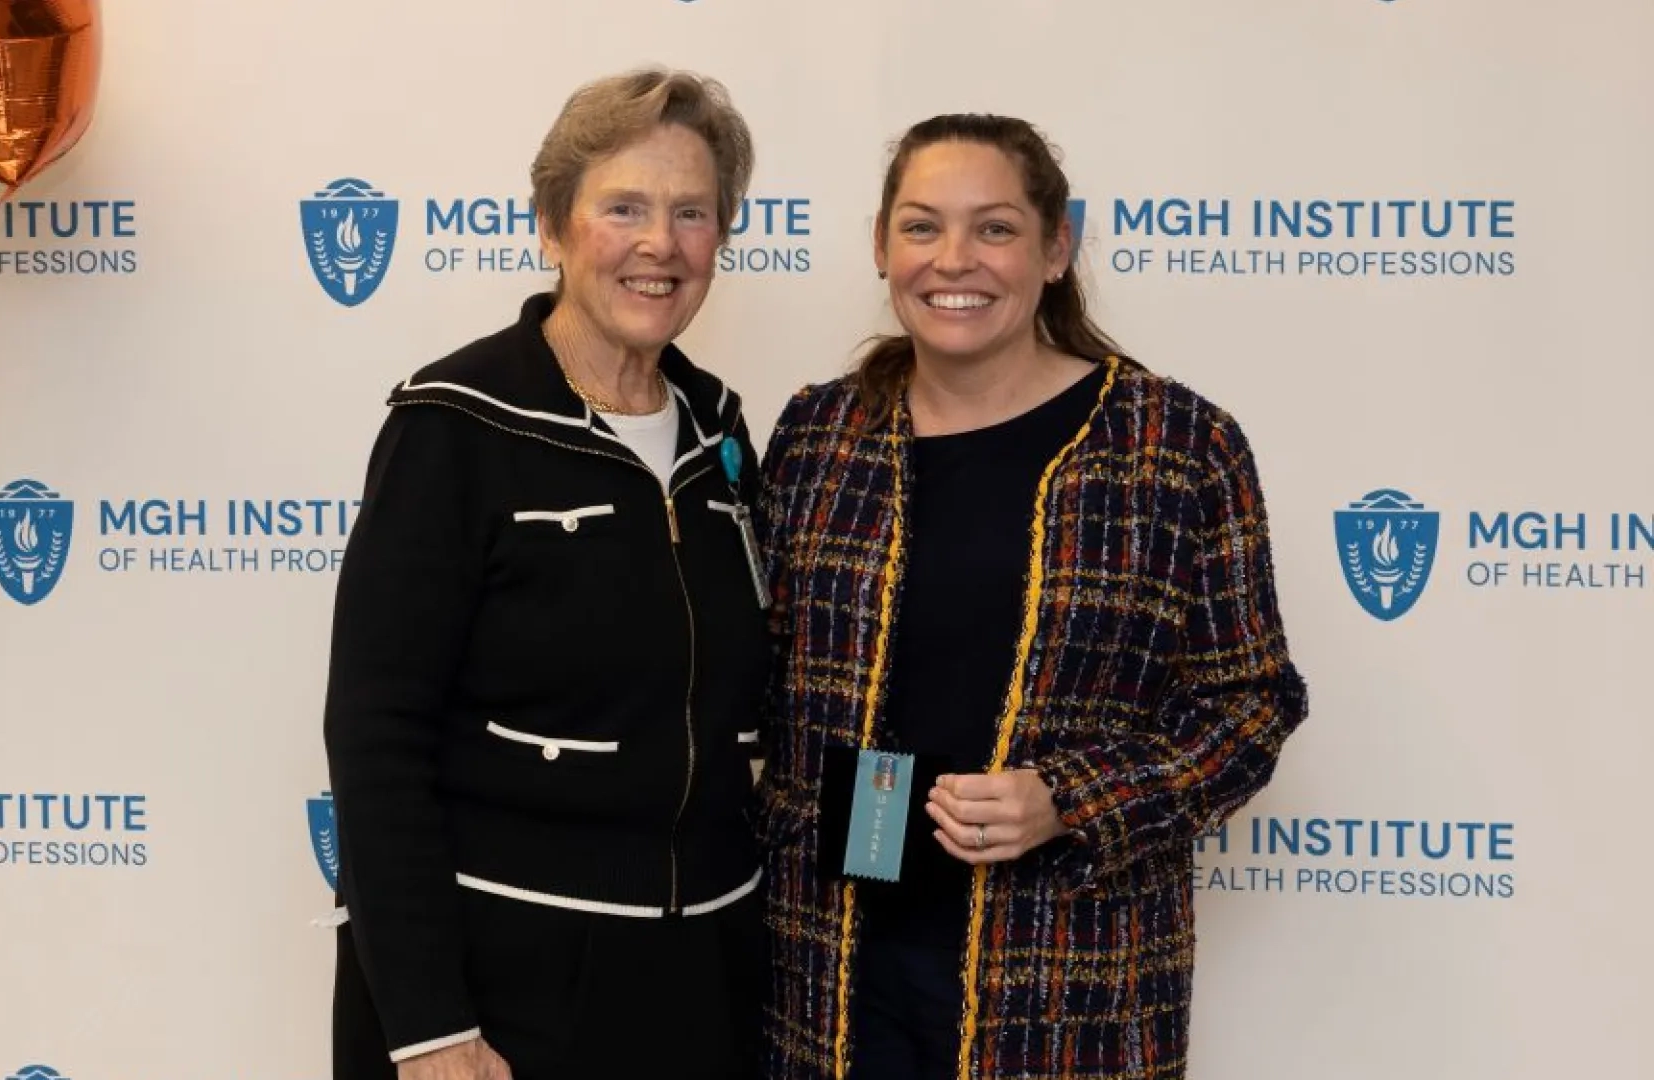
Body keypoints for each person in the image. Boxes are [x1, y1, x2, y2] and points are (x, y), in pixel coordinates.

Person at [755, 114, 1310, 1080]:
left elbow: (1251, 706)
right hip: (828, 973)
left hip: (1072, 986)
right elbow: (750, 684)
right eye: (922, 226)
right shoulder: (819, 433)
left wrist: (1069, 798)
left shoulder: (1176, 447)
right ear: (881, 246)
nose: (954, 260)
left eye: (996, 228)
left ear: (1057, 249)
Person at [322, 69, 768, 1080]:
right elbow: (376, 732)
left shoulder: (723, 434)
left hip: (701, 973)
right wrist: (430, 1026)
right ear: (556, 226)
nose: (661, 243)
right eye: (625, 207)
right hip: (504, 986)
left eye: (691, 213)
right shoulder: (455, 423)